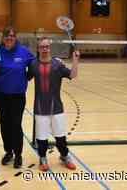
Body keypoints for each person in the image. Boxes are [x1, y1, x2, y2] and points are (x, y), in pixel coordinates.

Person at [28, 37, 79, 172]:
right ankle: (43, 158)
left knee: (60, 136)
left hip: (56, 107)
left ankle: (64, 156)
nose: (44, 49)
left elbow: (73, 75)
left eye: (47, 47)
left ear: (49, 48)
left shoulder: (57, 64)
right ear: (38, 49)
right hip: (40, 107)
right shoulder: (33, 65)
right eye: (42, 47)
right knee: (41, 137)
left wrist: (75, 60)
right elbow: (25, 78)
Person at [0, 27, 35, 169]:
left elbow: (34, 64)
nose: (10, 38)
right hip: (0, 95)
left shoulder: (23, 51)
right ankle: (8, 152)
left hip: (17, 96)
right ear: (3, 38)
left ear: (15, 37)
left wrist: (28, 77)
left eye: (12, 35)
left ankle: (18, 154)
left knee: (16, 125)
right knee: (4, 125)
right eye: (7, 35)